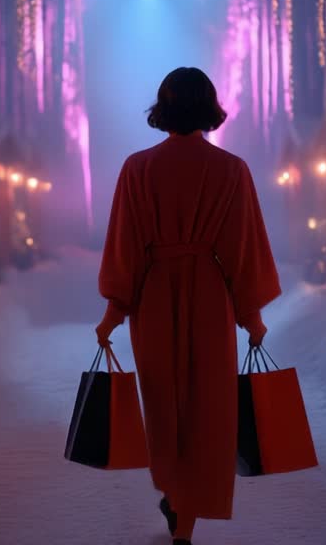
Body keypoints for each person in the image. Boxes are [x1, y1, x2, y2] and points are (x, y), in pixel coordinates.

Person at [95, 67, 281, 545]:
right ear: (208, 107)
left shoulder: (137, 168)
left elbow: (126, 245)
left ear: (164, 106)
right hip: (209, 297)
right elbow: (243, 246)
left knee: (163, 406)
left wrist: (115, 311)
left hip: (153, 296)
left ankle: (174, 496)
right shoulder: (231, 169)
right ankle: (187, 515)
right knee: (207, 408)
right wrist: (251, 316)